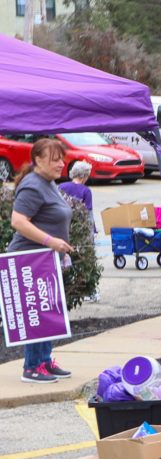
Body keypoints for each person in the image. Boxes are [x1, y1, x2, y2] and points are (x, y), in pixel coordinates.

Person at [8, 138, 74, 384]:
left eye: (62, 159)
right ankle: (32, 367)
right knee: (36, 313)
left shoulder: (48, 182)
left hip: (46, 259)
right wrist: (50, 241)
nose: (61, 164)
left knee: (46, 311)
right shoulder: (33, 186)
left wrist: (60, 247)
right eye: (55, 159)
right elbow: (18, 221)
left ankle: (44, 361)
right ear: (38, 160)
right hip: (29, 260)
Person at [58, 161, 95, 234]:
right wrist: (93, 231)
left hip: (62, 224)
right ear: (84, 176)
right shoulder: (86, 190)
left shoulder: (61, 186)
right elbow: (88, 213)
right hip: (77, 228)